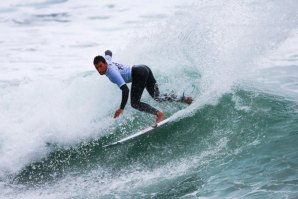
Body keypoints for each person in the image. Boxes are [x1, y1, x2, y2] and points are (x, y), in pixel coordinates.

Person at [93, 50, 192, 126]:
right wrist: (106, 52)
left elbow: (125, 89)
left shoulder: (112, 73)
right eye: (97, 67)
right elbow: (108, 52)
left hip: (138, 74)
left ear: (105, 63)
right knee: (157, 96)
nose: (99, 69)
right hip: (144, 68)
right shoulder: (107, 61)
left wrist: (121, 108)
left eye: (101, 66)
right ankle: (185, 99)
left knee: (135, 103)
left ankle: (159, 114)